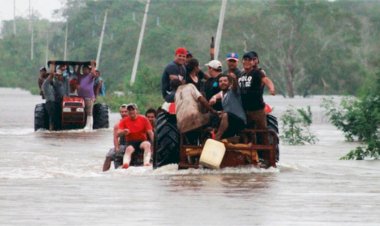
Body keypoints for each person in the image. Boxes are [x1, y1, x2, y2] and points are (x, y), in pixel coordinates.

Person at [238, 51, 275, 147]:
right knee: (246, 133)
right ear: (242, 61)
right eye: (245, 60)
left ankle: (267, 156)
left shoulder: (257, 73)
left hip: (257, 109)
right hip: (244, 110)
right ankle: (250, 155)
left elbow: (266, 80)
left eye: (249, 60)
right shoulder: (241, 75)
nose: (247, 62)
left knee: (262, 132)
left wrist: (271, 88)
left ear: (253, 62)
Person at [209, 74, 246, 140]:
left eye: (225, 81)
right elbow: (217, 95)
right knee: (214, 115)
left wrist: (234, 79)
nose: (223, 83)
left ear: (229, 83)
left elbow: (235, 86)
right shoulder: (222, 93)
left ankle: (217, 137)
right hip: (230, 122)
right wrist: (213, 98)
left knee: (225, 115)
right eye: (220, 81)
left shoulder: (233, 91)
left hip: (239, 121)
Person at [118, 103, 154, 168]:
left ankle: (146, 162)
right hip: (131, 142)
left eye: (133, 109)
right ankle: (125, 164)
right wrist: (123, 132)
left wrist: (154, 145)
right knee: (128, 149)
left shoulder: (144, 119)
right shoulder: (124, 121)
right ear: (128, 112)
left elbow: (150, 133)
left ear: (136, 110)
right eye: (129, 110)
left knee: (147, 144)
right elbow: (118, 133)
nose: (131, 111)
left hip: (142, 141)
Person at [102, 104, 129, 171]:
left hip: (132, 144)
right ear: (120, 113)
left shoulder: (133, 121)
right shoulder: (117, 125)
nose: (124, 113)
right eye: (122, 112)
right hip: (122, 145)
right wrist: (117, 148)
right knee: (109, 155)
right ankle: (103, 173)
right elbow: (115, 138)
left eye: (125, 111)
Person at [77, 61, 99, 130]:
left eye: (86, 69)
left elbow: (93, 73)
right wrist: (80, 66)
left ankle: (89, 126)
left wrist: (92, 65)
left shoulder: (90, 76)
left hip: (89, 97)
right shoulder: (81, 76)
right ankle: (84, 125)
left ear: (88, 70)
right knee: (82, 111)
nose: (84, 70)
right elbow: (77, 73)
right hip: (81, 97)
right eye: (83, 69)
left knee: (89, 112)